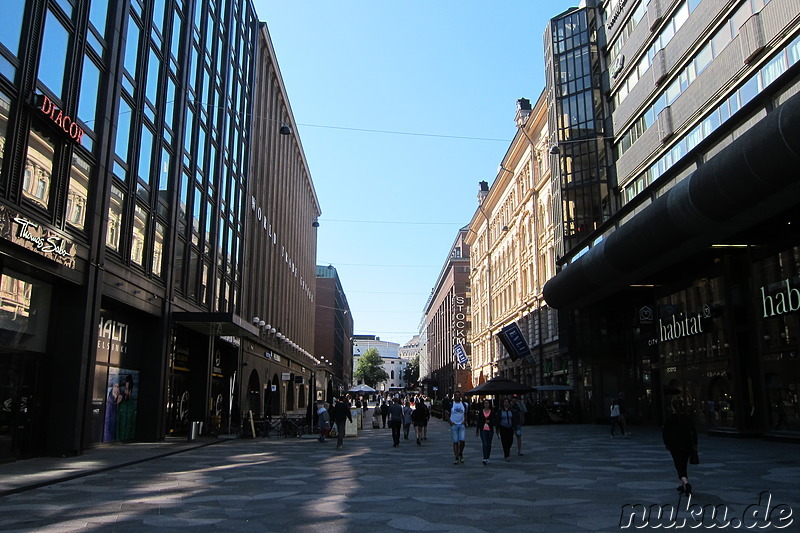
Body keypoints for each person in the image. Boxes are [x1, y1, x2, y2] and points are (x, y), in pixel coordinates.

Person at [662, 398, 698, 495]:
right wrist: (695, 443)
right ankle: (682, 485)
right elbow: (693, 431)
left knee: (678, 465)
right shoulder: (687, 417)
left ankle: (686, 483)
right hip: (687, 444)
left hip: (675, 445)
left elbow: (665, 433)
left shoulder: (670, 418)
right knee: (683, 464)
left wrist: (666, 443)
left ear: (672, 407)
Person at [448, 390, 468, 464]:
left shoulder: (464, 404)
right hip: (454, 424)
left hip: (461, 424)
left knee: (462, 440)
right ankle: (456, 456)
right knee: (455, 441)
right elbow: (447, 413)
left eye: (458, 395)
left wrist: (464, 421)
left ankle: (460, 452)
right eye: (456, 395)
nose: (457, 397)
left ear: (460, 396)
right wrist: (450, 422)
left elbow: (466, 413)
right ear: (454, 396)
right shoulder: (451, 404)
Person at [475, 399, 496, 465]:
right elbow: (479, 421)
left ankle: (488, 457)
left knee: (489, 444)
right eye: (485, 403)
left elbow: (494, 419)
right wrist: (477, 430)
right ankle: (485, 458)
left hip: (490, 429)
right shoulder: (481, 412)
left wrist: (490, 422)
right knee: (485, 443)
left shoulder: (492, 412)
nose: (486, 404)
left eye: (487, 403)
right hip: (483, 429)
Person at [497, 398, 517, 462]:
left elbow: (514, 419)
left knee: (510, 441)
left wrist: (514, 427)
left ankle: (508, 450)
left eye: (507, 402)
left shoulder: (511, 410)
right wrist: (497, 429)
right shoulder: (500, 411)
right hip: (503, 428)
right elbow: (498, 420)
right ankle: (506, 455)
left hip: (510, 428)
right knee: (504, 441)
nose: (506, 403)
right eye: (505, 402)